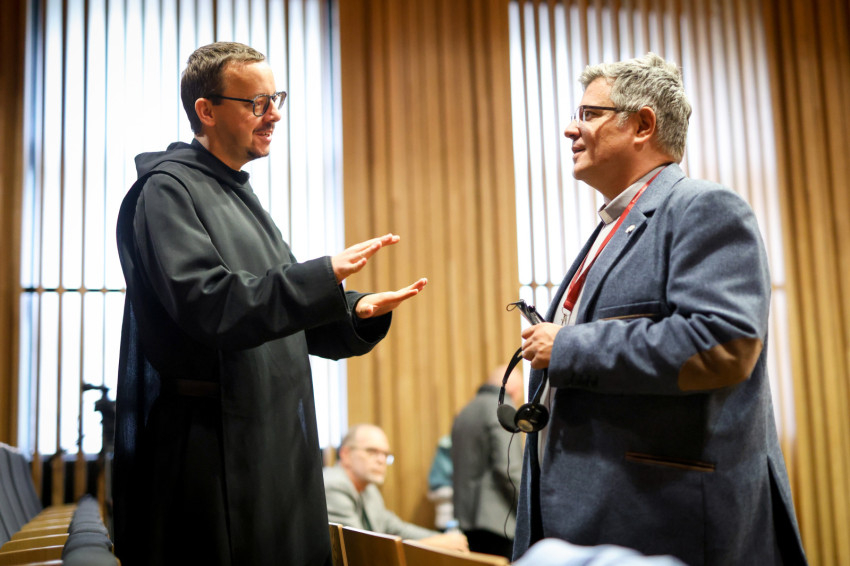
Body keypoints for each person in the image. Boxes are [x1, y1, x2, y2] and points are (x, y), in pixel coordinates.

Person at [114, 42, 427, 566]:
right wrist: (323, 274)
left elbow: (283, 313)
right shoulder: (168, 190)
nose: (274, 114)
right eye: (257, 102)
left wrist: (356, 309)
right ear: (206, 110)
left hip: (270, 438)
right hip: (214, 445)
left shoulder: (239, 195)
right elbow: (211, 304)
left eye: (276, 99)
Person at [513, 53, 807, 565]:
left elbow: (720, 345)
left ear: (643, 124)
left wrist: (569, 346)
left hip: (664, 522)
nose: (570, 129)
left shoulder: (704, 207)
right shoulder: (611, 226)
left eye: (589, 114)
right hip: (590, 518)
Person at [323, 423, 469, 552]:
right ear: (345, 454)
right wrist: (433, 544)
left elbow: (394, 527)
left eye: (385, 454)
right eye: (372, 451)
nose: (381, 460)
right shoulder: (334, 486)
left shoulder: (369, 489)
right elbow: (359, 551)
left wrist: (444, 538)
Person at [450, 364, 523, 557]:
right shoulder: (503, 409)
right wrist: (527, 507)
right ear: (514, 389)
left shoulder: (465, 411)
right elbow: (509, 468)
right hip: (499, 523)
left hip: (467, 521)